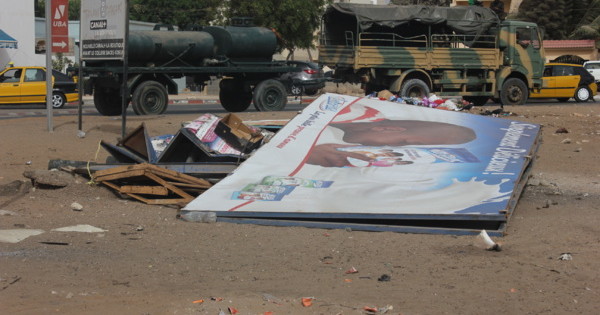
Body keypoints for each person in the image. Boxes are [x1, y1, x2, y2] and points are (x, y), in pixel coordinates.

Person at [306, 117, 476, 167]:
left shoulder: (339, 135)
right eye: (403, 142)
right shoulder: (322, 133)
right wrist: (307, 153)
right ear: (389, 129)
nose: (394, 148)